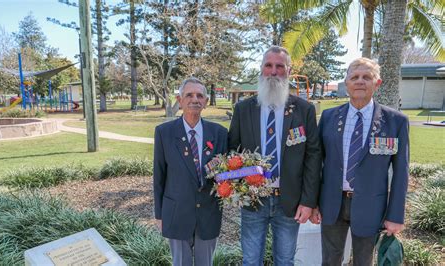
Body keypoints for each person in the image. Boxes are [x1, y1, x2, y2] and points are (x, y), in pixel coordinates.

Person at [228, 45, 322, 265]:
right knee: (251, 261)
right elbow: (232, 151)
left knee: (285, 261)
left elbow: (313, 157)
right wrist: (239, 187)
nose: (273, 71)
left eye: (279, 66)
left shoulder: (304, 110)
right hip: (253, 201)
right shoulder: (243, 109)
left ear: (288, 71)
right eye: (268, 65)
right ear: (261, 69)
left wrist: (308, 201)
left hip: (289, 202)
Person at [311, 57, 409, 266]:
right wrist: (312, 203)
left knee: (364, 262)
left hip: (371, 206)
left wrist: (395, 215)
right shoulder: (328, 117)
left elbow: (401, 172)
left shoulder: (395, 122)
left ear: (377, 83)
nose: (360, 81)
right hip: (331, 205)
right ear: (346, 83)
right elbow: (317, 163)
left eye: (367, 77)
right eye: (354, 77)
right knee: (329, 261)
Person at [153, 77, 228, 266]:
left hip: (209, 214)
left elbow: (226, 172)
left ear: (206, 101)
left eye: (200, 95)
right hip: (176, 213)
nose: (195, 99)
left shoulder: (219, 133)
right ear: (180, 100)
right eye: (189, 95)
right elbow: (159, 176)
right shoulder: (164, 132)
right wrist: (159, 214)